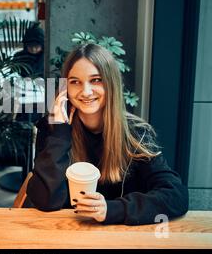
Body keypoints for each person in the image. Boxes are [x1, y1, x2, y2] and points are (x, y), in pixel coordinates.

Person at [26, 43, 189, 225]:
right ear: (65, 90)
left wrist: (111, 210)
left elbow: (176, 195)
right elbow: (44, 200)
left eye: (96, 80)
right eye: (75, 82)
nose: (86, 91)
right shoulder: (53, 131)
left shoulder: (135, 133)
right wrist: (61, 131)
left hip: (122, 240)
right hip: (65, 235)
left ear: (111, 84)